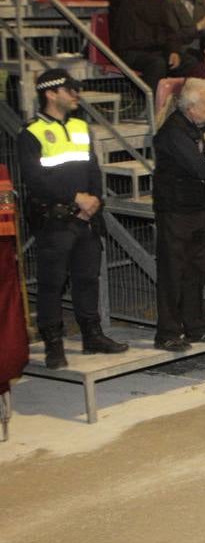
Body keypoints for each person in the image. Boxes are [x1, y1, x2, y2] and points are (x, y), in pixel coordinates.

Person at [19, 69, 128, 368]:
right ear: (51, 93)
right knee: (52, 283)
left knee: (87, 278)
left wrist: (94, 200)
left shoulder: (81, 126)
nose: (76, 94)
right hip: (55, 220)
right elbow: (35, 179)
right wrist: (75, 198)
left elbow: (93, 168)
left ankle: (92, 336)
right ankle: (54, 345)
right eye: (69, 90)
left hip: (86, 217)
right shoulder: (31, 132)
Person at [151, 78, 205, 350]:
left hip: (198, 208)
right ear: (191, 108)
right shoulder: (172, 133)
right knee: (172, 271)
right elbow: (203, 168)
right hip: (175, 210)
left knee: (196, 270)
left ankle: (197, 326)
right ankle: (167, 333)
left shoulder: (200, 128)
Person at [103, 0, 181, 90]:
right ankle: (149, 102)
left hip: (155, 51)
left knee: (189, 62)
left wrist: (173, 51)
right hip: (128, 52)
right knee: (157, 64)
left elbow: (169, 29)